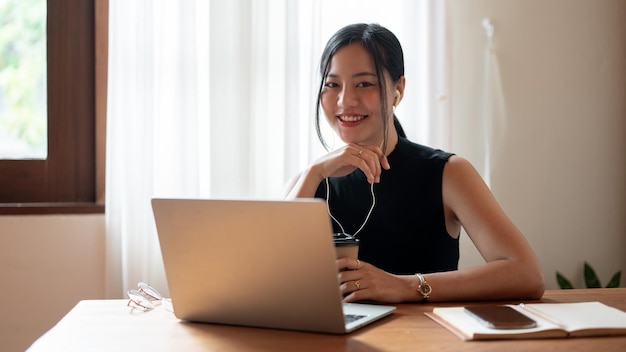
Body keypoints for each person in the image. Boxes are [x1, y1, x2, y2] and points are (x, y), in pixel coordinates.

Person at [285, 23, 545, 303]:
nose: (345, 100)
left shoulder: (448, 173)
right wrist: (314, 173)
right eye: (332, 84)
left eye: (364, 84)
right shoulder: (308, 181)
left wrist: (405, 286)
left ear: (398, 90)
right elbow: (271, 282)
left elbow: (526, 274)